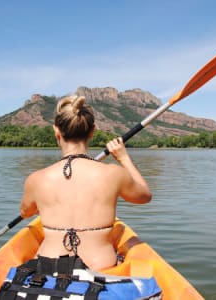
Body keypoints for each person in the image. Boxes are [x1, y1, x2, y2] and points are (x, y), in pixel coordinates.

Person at [19, 95, 152, 271]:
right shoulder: (113, 174)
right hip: (101, 267)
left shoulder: (36, 179)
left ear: (56, 131)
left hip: (47, 267)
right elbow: (144, 196)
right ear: (92, 131)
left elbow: (26, 212)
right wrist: (124, 158)